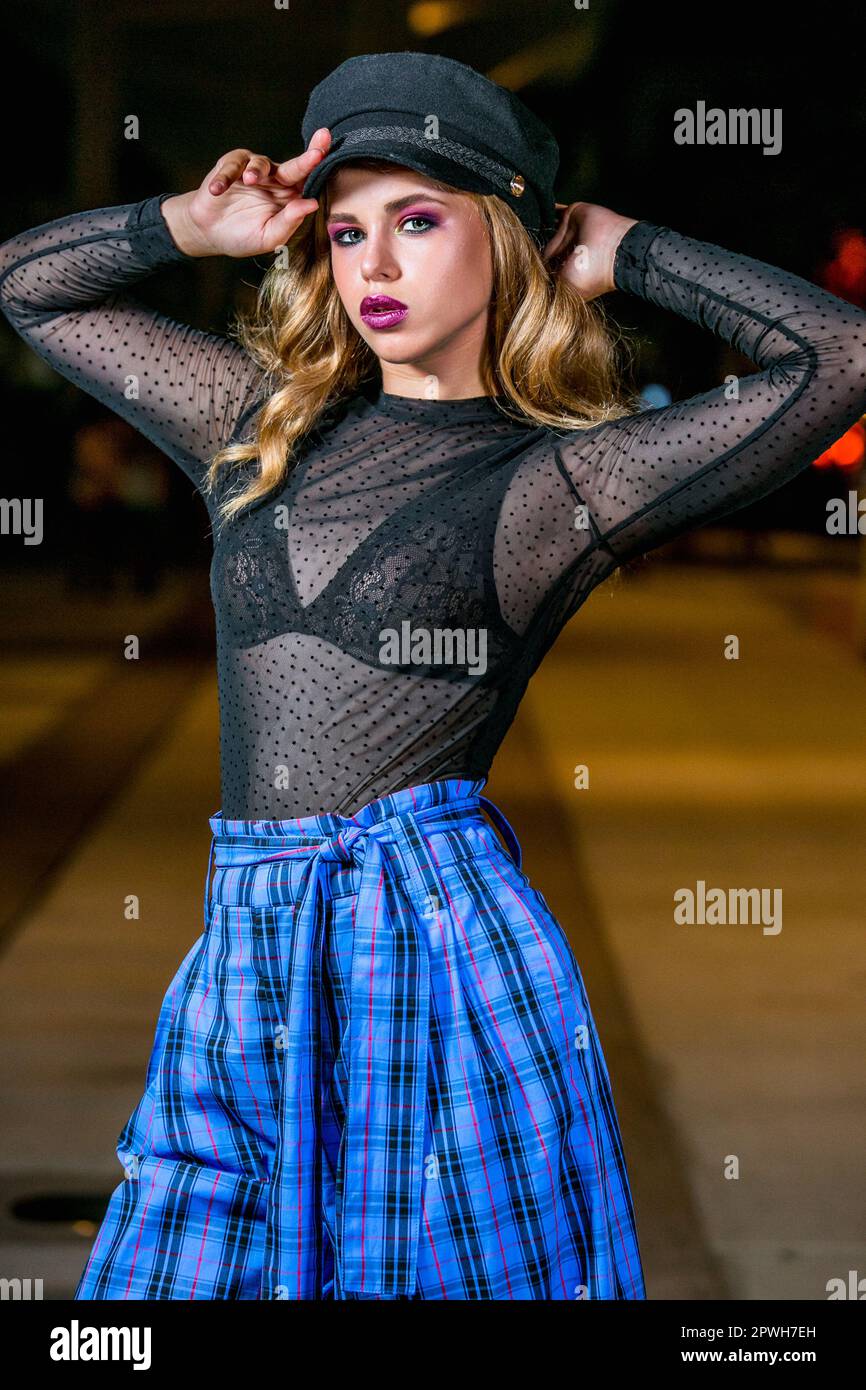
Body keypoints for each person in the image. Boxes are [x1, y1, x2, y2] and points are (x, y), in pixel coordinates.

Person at [2, 51, 865, 1302]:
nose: (376, 268)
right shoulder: (255, 423)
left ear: (507, 241)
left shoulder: (558, 486)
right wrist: (192, 221)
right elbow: (33, 291)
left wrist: (623, 248)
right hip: (246, 955)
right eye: (346, 232)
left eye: (417, 221)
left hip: (437, 957)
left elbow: (836, 359)